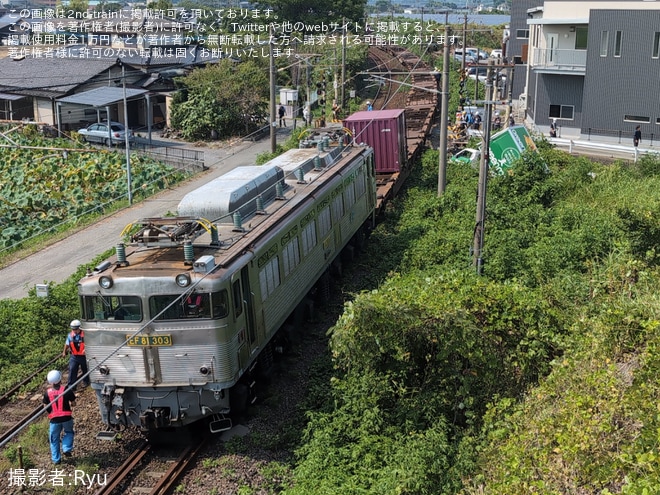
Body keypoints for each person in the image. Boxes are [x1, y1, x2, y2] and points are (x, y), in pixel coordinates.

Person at [43, 370, 76, 465]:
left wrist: (50, 412)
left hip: (54, 420)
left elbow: (45, 406)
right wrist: (72, 404)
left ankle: (56, 460)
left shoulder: (47, 393)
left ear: (49, 381)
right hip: (67, 418)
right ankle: (66, 448)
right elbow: (73, 403)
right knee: (69, 432)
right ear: (60, 379)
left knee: (54, 439)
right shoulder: (66, 390)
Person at [63, 320, 90, 390]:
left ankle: (86, 381)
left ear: (80, 328)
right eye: (73, 329)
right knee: (72, 369)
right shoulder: (70, 335)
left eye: (76, 329)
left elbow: (90, 344)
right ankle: (71, 386)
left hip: (84, 356)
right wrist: (64, 352)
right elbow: (67, 344)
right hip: (74, 356)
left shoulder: (86, 335)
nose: (74, 330)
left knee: (85, 369)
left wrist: (86, 349)